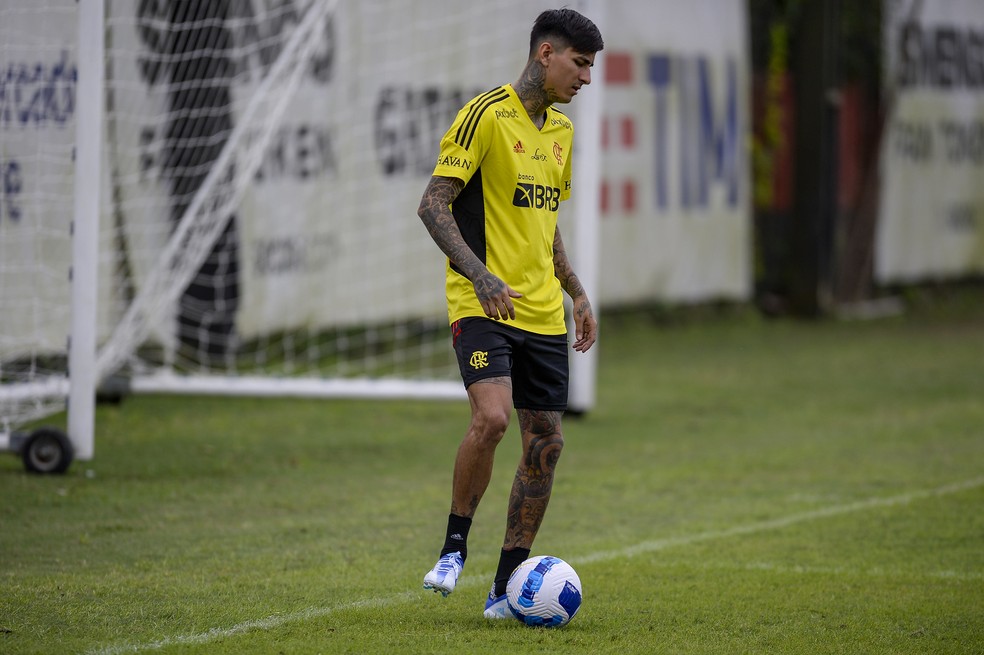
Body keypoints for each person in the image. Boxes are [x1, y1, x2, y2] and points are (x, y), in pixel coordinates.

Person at [417, 8, 603, 619]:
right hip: (483, 302)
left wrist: (576, 291)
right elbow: (433, 205)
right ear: (546, 53)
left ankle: (505, 587)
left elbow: (545, 224)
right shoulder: (485, 115)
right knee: (493, 418)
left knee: (546, 443)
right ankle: (453, 549)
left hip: (543, 312)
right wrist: (480, 274)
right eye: (580, 63)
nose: (586, 78)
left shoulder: (562, 132)